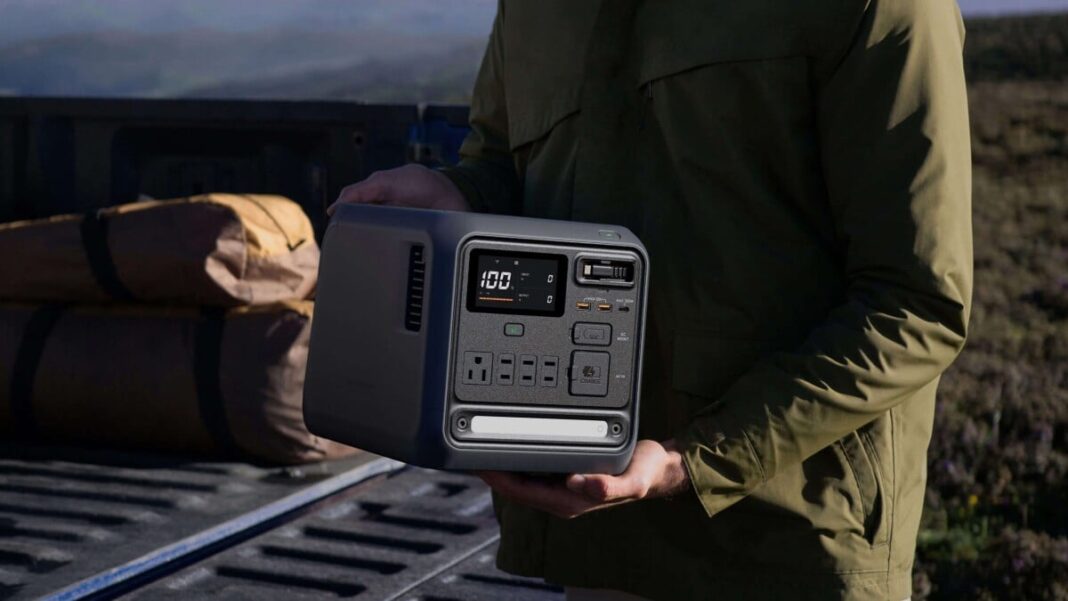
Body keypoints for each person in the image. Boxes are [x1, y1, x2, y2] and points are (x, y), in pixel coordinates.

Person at [330, 1, 972, 599]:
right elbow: (506, 165)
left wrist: (692, 460)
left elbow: (916, 305)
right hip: (596, 531)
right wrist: (459, 196)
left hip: (790, 545)